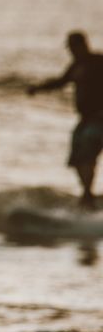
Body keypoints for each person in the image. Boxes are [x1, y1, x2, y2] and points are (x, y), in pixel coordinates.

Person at [27, 31, 103, 210]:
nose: (71, 51)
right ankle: (87, 195)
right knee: (77, 159)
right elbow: (60, 82)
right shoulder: (77, 65)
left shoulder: (98, 62)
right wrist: (38, 88)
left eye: (72, 47)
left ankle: (87, 197)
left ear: (82, 45)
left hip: (99, 119)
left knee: (87, 154)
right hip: (85, 119)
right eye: (69, 48)